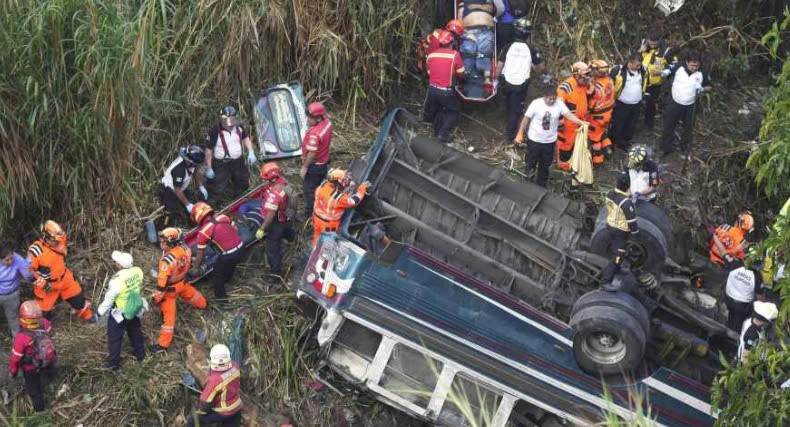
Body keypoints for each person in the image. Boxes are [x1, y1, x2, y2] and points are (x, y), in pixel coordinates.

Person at [514, 84, 588, 187]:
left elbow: (569, 115)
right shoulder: (536, 104)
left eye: (554, 99)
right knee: (531, 162)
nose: (552, 101)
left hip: (549, 142)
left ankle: (541, 185)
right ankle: (527, 183)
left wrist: (581, 123)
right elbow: (526, 119)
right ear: (544, 96)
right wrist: (520, 133)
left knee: (545, 165)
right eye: (550, 99)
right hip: (535, 140)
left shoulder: (559, 104)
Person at [27, 220, 96, 323]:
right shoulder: (36, 250)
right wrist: (43, 283)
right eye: (54, 240)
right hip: (46, 286)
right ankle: (42, 331)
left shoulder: (60, 241)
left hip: (64, 279)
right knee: (43, 312)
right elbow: (29, 272)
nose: (57, 243)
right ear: (45, 237)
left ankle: (90, 317)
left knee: (78, 300)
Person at [151, 228, 207, 353]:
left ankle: (162, 345)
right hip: (182, 283)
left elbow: (161, 285)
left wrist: (156, 298)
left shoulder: (166, 261)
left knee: (169, 320)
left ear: (171, 242)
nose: (161, 242)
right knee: (195, 297)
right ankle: (204, 305)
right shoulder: (186, 249)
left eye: (163, 241)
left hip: (170, 291)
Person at [493, 17, 545, 141]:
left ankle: (508, 128)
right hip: (521, 85)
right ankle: (511, 136)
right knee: (515, 110)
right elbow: (540, 68)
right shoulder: (532, 49)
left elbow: (499, 66)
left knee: (508, 105)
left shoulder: (507, 46)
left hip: (506, 83)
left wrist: (495, 79)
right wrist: (537, 62)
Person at [97, 251, 147, 371]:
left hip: (120, 312)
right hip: (134, 307)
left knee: (114, 337)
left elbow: (108, 300)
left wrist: (98, 313)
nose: (115, 263)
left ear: (119, 265)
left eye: (116, 262)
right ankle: (140, 354)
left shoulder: (116, 280)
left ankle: (114, 364)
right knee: (135, 331)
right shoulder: (138, 271)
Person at [659, 51, 712, 157]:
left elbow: (709, 87)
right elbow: (669, 69)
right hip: (675, 101)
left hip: (691, 105)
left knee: (688, 127)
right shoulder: (679, 66)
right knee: (669, 125)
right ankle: (666, 148)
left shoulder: (703, 72)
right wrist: (665, 72)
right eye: (692, 65)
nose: (694, 68)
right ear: (687, 63)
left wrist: (702, 89)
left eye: (697, 65)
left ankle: (684, 146)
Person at [204, 106, 257, 206]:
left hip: (238, 162)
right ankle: (212, 206)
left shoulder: (238, 126)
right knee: (217, 186)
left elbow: (245, 138)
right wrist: (209, 168)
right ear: (222, 119)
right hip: (221, 164)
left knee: (242, 181)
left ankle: (240, 201)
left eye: (233, 119)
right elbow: (208, 151)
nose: (231, 124)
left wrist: (251, 152)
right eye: (228, 120)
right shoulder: (214, 131)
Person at [191, 202, 245, 300]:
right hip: (241, 246)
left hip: (229, 255)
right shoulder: (223, 217)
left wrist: (197, 267)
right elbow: (235, 228)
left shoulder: (203, 232)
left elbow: (200, 254)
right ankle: (227, 279)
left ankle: (221, 300)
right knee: (230, 264)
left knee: (217, 276)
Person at [8, 301, 54, 412]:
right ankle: (50, 384)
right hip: (46, 359)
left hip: (30, 368)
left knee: (34, 391)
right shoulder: (45, 323)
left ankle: (40, 411)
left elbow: (15, 358)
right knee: (46, 373)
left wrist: (13, 371)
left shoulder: (21, 338)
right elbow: (49, 329)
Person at [423, 30, 465, 144]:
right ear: (452, 43)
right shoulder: (454, 55)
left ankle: (437, 133)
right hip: (446, 91)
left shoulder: (431, 55)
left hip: (432, 90)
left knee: (437, 111)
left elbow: (429, 72)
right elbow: (461, 73)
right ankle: (443, 135)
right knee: (452, 111)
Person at [255, 163, 295, 278]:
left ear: (272, 179)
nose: (264, 181)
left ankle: (276, 274)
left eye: (265, 179)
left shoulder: (274, 194)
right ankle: (292, 237)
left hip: (275, 222)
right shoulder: (282, 182)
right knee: (287, 230)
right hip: (284, 216)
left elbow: (270, 215)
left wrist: (262, 229)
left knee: (272, 249)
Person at [187, 344, 242, 427]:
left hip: (224, 412)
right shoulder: (235, 366)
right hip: (237, 408)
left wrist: (200, 411)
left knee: (193, 419)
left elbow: (205, 402)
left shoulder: (215, 380)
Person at [312, 169, 370, 247]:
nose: (346, 180)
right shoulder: (339, 198)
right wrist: (362, 189)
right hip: (329, 225)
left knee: (317, 236)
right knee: (328, 241)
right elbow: (353, 202)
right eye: (344, 180)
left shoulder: (323, 185)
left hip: (317, 219)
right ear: (337, 183)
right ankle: (324, 253)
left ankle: (314, 248)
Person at [600, 172, 639, 283]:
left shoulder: (609, 194)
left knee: (614, 249)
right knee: (618, 256)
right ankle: (605, 280)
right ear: (628, 186)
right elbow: (631, 222)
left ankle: (617, 269)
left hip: (610, 225)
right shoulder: (626, 203)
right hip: (620, 231)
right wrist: (636, 233)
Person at [156, 145, 208, 227]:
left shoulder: (190, 164)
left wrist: (201, 187)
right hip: (169, 190)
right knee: (169, 212)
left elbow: (195, 173)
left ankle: (194, 224)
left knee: (192, 204)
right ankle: (164, 230)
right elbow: (177, 190)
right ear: (190, 161)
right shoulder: (179, 170)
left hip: (181, 187)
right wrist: (187, 205)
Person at [556, 62, 592, 170]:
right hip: (568, 124)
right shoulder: (565, 87)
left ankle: (572, 164)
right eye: (584, 75)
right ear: (576, 74)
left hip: (580, 122)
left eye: (587, 75)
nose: (587, 78)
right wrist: (560, 121)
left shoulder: (583, 85)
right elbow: (559, 106)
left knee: (576, 145)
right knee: (565, 145)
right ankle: (562, 166)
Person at [300, 102, 333, 219]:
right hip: (323, 162)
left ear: (318, 118)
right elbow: (329, 142)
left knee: (309, 190)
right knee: (321, 186)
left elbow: (312, 153)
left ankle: (309, 213)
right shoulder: (328, 123)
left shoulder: (315, 134)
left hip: (314, 166)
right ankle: (322, 203)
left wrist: (305, 167)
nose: (307, 120)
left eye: (310, 118)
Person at [638, 30, 676, 129]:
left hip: (654, 83)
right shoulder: (644, 44)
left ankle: (648, 125)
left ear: (659, 40)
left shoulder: (666, 50)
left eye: (655, 44)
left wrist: (662, 73)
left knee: (650, 104)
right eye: (651, 43)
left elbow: (674, 65)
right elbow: (635, 59)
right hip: (640, 79)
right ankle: (635, 121)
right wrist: (640, 50)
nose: (653, 45)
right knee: (636, 100)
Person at [610, 53, 647, 149]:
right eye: (636, 65)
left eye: (640, 65)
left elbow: (645, 81)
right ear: (630, 63)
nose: (639, 67)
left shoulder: (642, 70)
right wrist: (611, 100)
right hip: (622, 104)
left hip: (636, 104)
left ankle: (625, 142)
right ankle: (613, 143)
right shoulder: (619, 70)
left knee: (631, 124)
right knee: (618, 124)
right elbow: (609, 84)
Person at [459, 0, 497, 80]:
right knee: (468, 51)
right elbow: (459, 22)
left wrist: (477, 6)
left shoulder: (487, 1)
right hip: (469, 32)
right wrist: (466, 35)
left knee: (485, 52)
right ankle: (466, 76)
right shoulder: (464, 2)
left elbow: (491, 9)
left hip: (486, 30)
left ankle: (487, 79)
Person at [0, 244, 33, 336]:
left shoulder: (17, 259)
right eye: (7, 260)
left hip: (12, 294)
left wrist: (29, 262)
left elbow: (28, 275)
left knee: (13, 318)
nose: (10, 262)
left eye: (11, 258)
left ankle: (18, 341)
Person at [587, 60, 615, 165]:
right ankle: (608, 150)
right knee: (603, 133)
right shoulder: (610, 81)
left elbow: (591, 101)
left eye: (593, 70)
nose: (592, 72)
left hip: (597, 116)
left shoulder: (596, 86)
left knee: (595, 139)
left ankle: (598, 160)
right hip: (608, 113)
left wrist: (587, 111)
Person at [724, 258, 762, 332]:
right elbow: (760, 296)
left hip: (729, 300)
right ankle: (732, 338)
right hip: (743, 307)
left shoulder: (736, 265)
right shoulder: (757, 276)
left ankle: (728, 330)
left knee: (731, 319)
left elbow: (723, 253)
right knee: (737, 327)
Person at [738, 301, 778, 365]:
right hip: (750, 364)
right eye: (769, 323)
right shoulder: (752, 334)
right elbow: (746, 357)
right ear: (764, 321)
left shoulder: (752, 321)